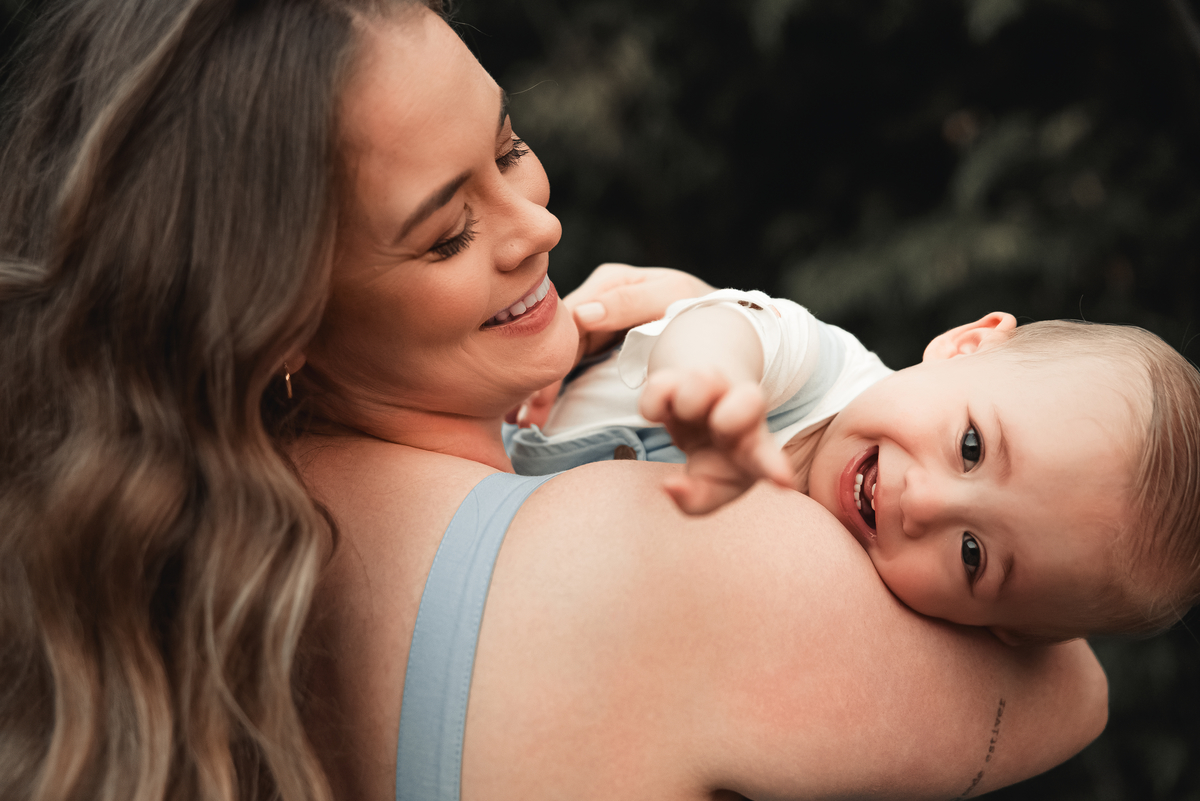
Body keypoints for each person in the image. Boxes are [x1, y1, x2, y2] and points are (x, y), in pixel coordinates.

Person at [0, 1, 1107, 800]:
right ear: (277, 318)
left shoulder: (152, 573)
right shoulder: (691, 561)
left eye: (510, 147)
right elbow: (1075, 675)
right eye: (447, 233)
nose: (540, 227)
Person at [507, 287, 1200, 643]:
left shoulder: (861, 619)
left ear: (1001, 631)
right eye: (971, 448)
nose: (922, 503)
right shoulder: (819, 368)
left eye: (972, 554)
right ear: (966, 345)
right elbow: (724, 327)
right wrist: (712, 389)